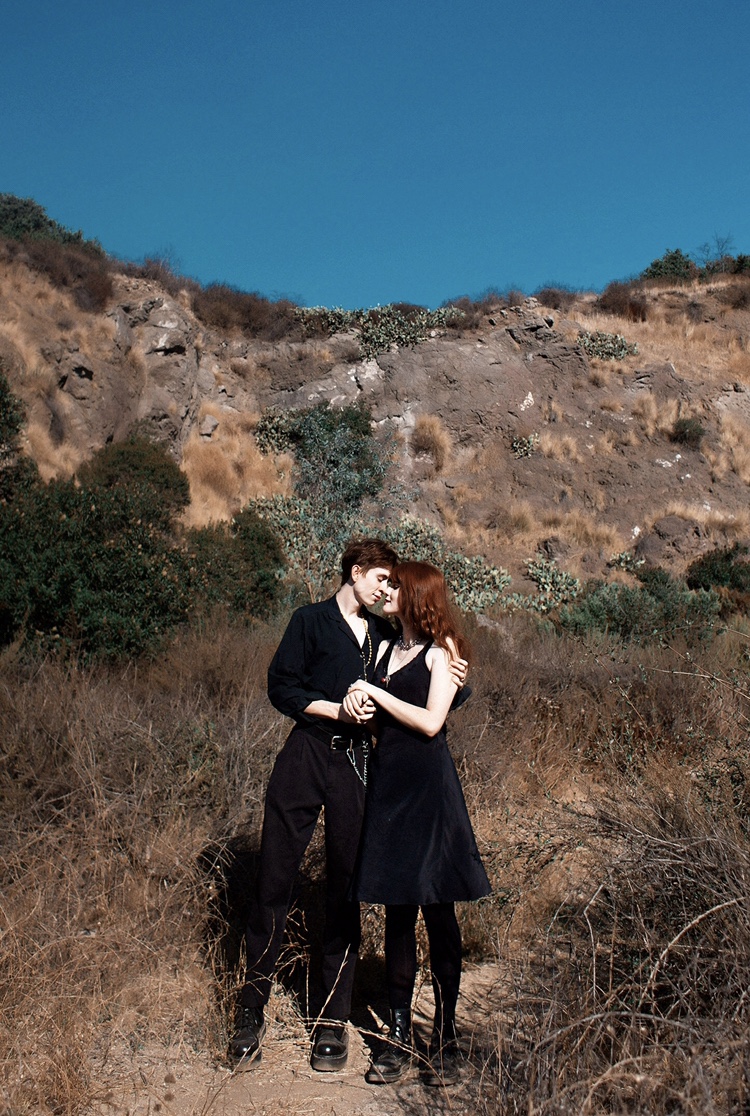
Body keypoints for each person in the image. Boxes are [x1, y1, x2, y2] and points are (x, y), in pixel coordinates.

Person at [228, 538, 467, 1073]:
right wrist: (335, 708)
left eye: (393, 583)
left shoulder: (386, 633)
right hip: (306, 755)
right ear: (356, 573)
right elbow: (281, 687)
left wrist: (458, 677)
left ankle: (331, 1019)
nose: (387, 590)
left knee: (345, 887)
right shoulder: (310, 621)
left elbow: (426, 687)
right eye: (381, 579)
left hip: (360, 769)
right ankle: (250, 1010)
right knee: (274, 881)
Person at [344, 561, 491, 1087]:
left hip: (429, 791)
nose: (387, 592)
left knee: (437, 907)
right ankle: (400, 1036)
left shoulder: (442, 651)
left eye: (395, 586)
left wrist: (377, 694)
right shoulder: (384, 648)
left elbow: (431, 722)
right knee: (398, 912)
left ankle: (447, 1032)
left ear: (417, 595)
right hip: (390, 790)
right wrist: (358, 696)